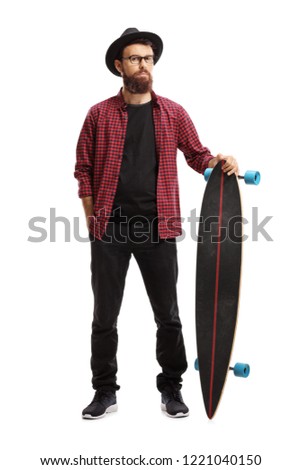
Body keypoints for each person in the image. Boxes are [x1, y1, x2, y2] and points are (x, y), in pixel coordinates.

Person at [74, 27, 238, 420]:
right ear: (119, 66)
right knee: (104, 316)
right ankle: (104, 391)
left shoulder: (173, 112)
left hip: (158, 229)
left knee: (168, 314)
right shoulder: (99, 114)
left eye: (147, 58)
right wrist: (94, 222)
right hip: (110, 230)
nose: (142, 64)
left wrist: (220, 162)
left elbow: (198, 156)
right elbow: (84, 170)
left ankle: (172, 389)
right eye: (134, 58)